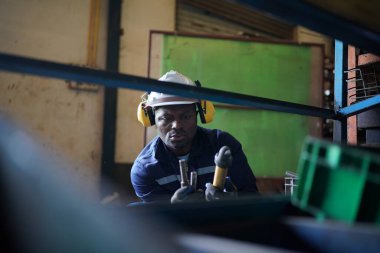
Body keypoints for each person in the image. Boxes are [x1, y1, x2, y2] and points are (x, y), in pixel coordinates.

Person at [131, 70, 258, 203]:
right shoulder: (144, 169)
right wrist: (174, 210)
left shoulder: (223, 145)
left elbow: (253, 198)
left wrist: (233, 200)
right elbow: (154, 222)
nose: (177, 125)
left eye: (185, 116)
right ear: (151, 119)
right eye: (166, 118)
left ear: (199, 115)